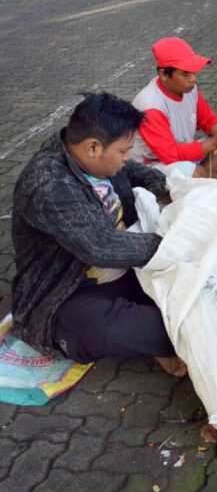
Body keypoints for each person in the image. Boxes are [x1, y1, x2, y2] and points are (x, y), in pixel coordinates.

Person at [11, 92, 186, 377]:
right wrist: (176, 245)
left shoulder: (92, 157)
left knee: (189, 294)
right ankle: (165, 338)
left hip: (124, 271)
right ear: (93, 147)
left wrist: (177, 189)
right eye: (123, 150)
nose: (127, 157)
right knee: (101, 327)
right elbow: (101, 247)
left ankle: (165, 336)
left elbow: (132, 171)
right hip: (69, 291)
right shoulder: (48, 183)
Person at [131, 37, 217, 180]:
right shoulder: (150, 105)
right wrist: (213, 143)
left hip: (183, 155)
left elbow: (209, 120)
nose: (193, 79)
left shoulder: (189, 89)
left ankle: (205, 176)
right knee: (195, 172)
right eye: (185, 74)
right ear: (163, 74)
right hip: (154, 165)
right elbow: (170, 154)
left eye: (194, 72)